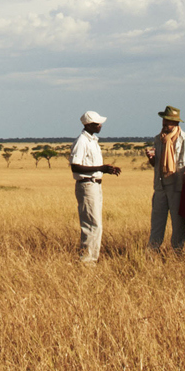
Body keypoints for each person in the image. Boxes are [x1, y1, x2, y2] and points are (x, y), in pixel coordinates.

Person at [69, 111, 121, 263]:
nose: (100, 125)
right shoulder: (82, 141)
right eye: (98, 123)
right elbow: (76, 167)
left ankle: (91, 258)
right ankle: (87, 262)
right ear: (89, 124)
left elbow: (91, 165)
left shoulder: (92, 141)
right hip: (87, 185)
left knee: (95, 225)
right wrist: (101, 169)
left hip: (95, 185)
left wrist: (105, 170)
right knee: (92, 225)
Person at [146, 105, 185, 251]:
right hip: (160, 185)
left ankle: (177, 251)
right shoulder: (158, 139)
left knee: (177, 221)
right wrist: (151, 158)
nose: (164, 124)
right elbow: (156, 164)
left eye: (168, 121)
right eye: (164, 120)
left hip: (177, 186)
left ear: (176, 123)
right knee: (157, 221)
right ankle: (153, 250)